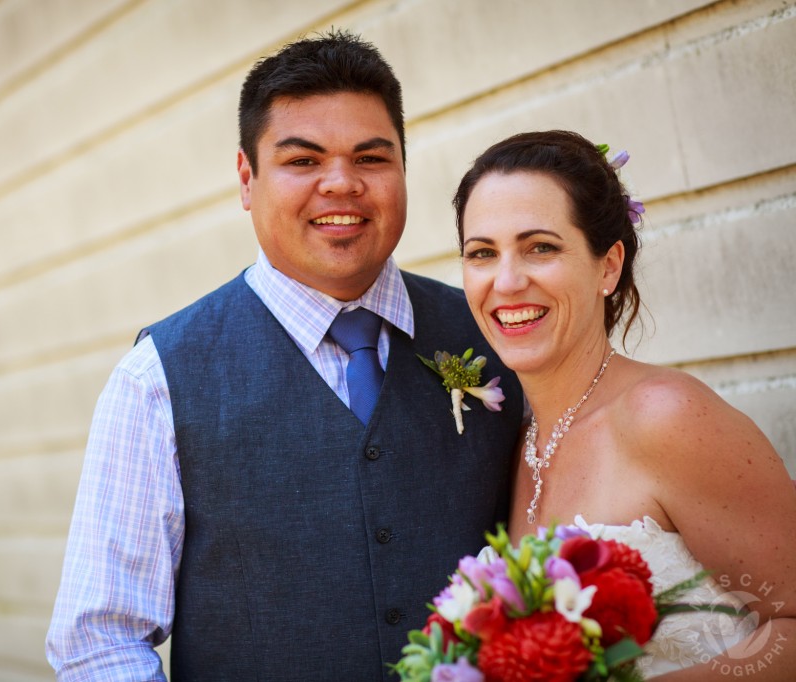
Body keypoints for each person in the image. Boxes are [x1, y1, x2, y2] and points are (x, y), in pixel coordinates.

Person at [46, 30, 524, 681]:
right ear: (248, 179)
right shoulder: (158, 379)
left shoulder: (490, 332)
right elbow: (99, 640)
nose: (341, 184)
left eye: (371, 158)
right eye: (303, 161)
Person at [453, 129, 796, 678]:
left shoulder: (668, 417)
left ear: (608, 266)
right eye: (482, 253)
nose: (508, 281)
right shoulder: (508, 442)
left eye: (540, 246)